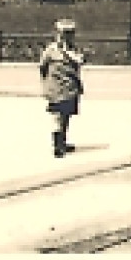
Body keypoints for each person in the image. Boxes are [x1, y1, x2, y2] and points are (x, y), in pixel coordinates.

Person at [38, 19, 84, 157]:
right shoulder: (51, 50)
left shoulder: (73, 50)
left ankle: (63, 140)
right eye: (63, 33)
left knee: (66, 115)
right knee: (57, 115)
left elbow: (80, 61)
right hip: (56, 88)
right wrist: (48, 82)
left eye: (69, 34)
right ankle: (57, 145)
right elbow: (42, 66)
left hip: (70, 88)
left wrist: (66, 51)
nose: (66, 37)